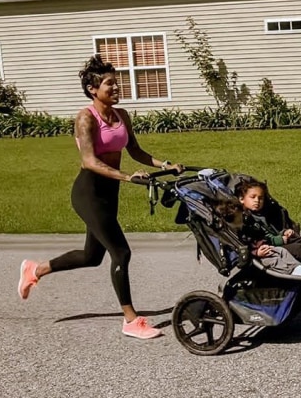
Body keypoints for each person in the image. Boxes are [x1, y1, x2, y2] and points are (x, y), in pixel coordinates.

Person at [17, 55, 184, 340]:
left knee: (92, 256)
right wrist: (127, 176)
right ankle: (131, 320)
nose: (116, 87)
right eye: (110, 83)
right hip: (89, 193)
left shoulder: (122, 115)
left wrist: (164, 165)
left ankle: (36, 269)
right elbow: (89, 161)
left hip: (109, 193)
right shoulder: (86, 118)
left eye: (116, 82)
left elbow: (136, 151)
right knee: (121, 252)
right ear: (93, 89)